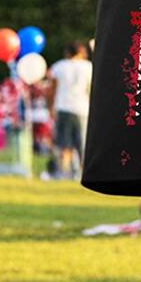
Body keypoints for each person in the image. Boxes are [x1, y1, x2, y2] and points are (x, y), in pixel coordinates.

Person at [47, 42, 93, 180]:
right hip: (82, 109)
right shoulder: (88, 67)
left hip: (63, 107)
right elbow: (91, 89)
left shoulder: (59, 66)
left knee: (64, 144)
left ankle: (64, 172)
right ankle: (83, 173)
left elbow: (52, 90)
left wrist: (50, 107)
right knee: (83, 143)